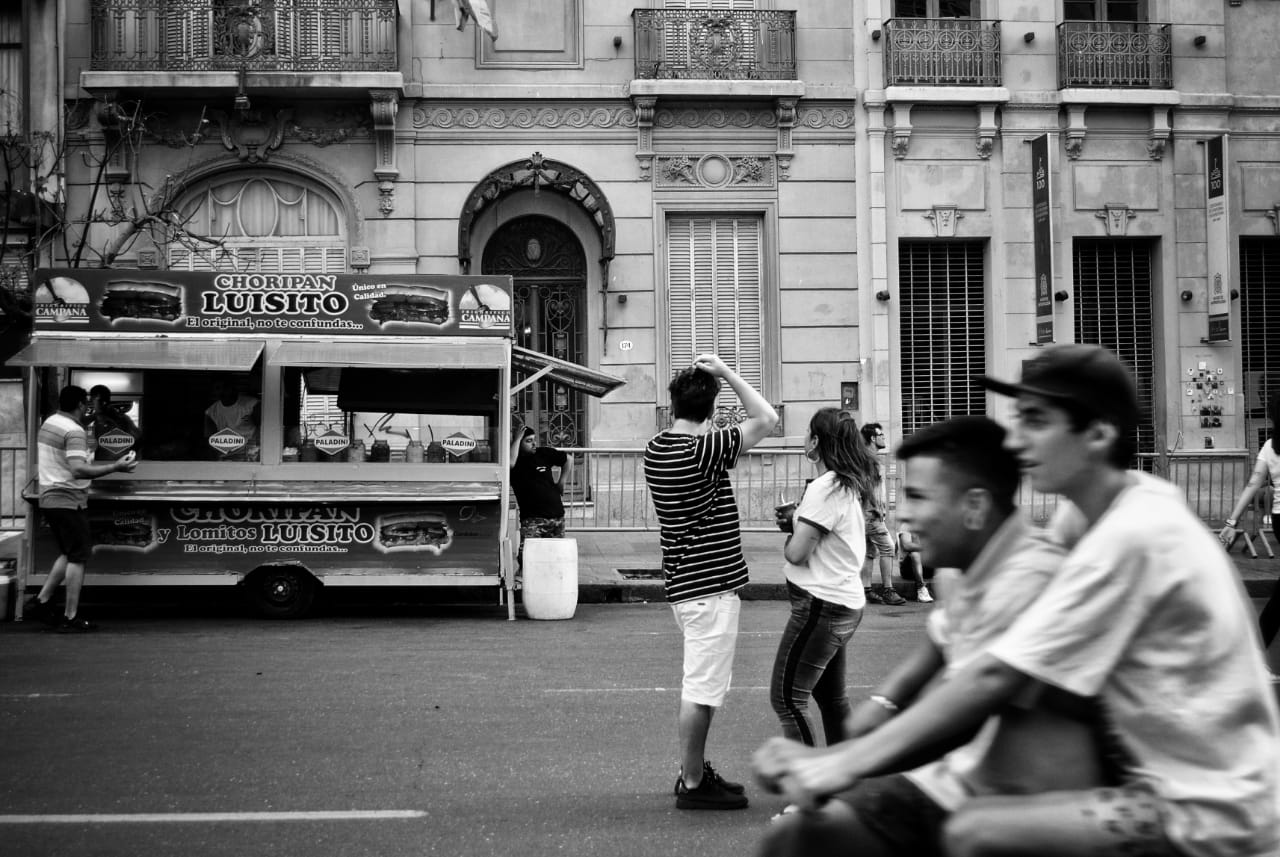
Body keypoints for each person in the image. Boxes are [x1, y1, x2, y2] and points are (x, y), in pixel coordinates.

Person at [755, 344, 1280, 857]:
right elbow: (956, 636)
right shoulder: (1091, 512)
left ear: (1098, 433)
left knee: (977, 833)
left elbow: (993, 676)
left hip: (1206, 811)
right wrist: (883, 711)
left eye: (1037, 420)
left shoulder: (1134, 532)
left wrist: (842, 763)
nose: (1019, 436)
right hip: (1140, 772)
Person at [756, 416, 1095, 857]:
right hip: (962, 778)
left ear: (974, 506)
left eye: (918, 497)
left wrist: (837, 763)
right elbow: (932, 654)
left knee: (966, 834)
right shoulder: (963, 571)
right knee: (795, 838)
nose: (902, 514)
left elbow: (972, 698)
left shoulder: (1031, 579)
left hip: (1018, 799)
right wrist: (881, 707)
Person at [643, 353, 778, 810]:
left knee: (701, 686)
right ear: (712, 411)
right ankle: (693, 782)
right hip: (710, 588)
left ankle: (694, 771)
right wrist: (726, 373)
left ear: (673, 406)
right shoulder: (704, 450)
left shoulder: (656, 449)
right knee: (701, 691)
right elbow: (767, 418)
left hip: (684, 583)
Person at [769, 408, 876, 748]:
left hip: (822, 606)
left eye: (807, 433)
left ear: (816, 442)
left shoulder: (824, 487)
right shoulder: (846, 483)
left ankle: (810, 779)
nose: (804, 439)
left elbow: (797, 554)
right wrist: (798, 521)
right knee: (832, 698)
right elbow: (826, 534)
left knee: (787, 698)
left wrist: (793, 533)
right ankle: (846, 772)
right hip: (843, 602)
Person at [23, 385, 138, 632]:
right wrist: (116, 467)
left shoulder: (50, 423)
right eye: (86, 403)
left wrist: (97, 418)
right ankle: (70, 616)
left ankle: (42, 601)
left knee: (69, 552)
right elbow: (78, 469)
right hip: (68, 499)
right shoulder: (73, 431)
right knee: (78, 556)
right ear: (80, 405)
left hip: (50, 497)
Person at [1220, 391, 1280, 667]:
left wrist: (1231, 522)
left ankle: (1251, 654)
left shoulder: (1270, 446)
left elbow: (1254, 483)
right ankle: (1251, 655)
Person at [509, 423, 573, 571]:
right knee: (527, 559)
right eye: (528, 441)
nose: (534, 444)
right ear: (518, 443)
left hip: (556, 517)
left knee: (555, 559)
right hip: (532, 519)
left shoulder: (543, 453)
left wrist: (561, 482)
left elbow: (568, 459)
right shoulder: (515, 461)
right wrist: (517, 439)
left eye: (534, 440)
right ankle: (525, 581)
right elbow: (510, 463)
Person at [858, 422, 906, 605]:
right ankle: (888, 590)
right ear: (873, 438)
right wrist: (876, 507)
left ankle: (866, 590)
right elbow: (865, 486)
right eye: (881, 435)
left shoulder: (867, 458)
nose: (884, 438)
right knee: (888, 548)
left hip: (866, 514)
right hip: (871, 514)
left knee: (869, 552)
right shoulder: (869, 460)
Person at [204, 378, 260, 458]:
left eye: (225, 387)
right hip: (226, 457)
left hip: (251, 455)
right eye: (218, 388)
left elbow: (264, 430)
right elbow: (210, 441)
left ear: (232, 387)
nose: (222, 391)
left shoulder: (252, 404)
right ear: (214, 391)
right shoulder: (211, 412)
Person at [87, 384, 140, 462]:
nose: (96, 403)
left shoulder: (122, 419)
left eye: (99, 400)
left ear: (105, 401)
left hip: (119, 463)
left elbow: (137, 439)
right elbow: (90, 444)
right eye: (94, 399)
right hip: (101, 464)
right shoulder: (93, 421)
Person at [897, 526, 933, 603]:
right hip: (908, 569)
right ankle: (921, 589)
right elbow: (906, 546)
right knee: (915, 553)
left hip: (928, 567)